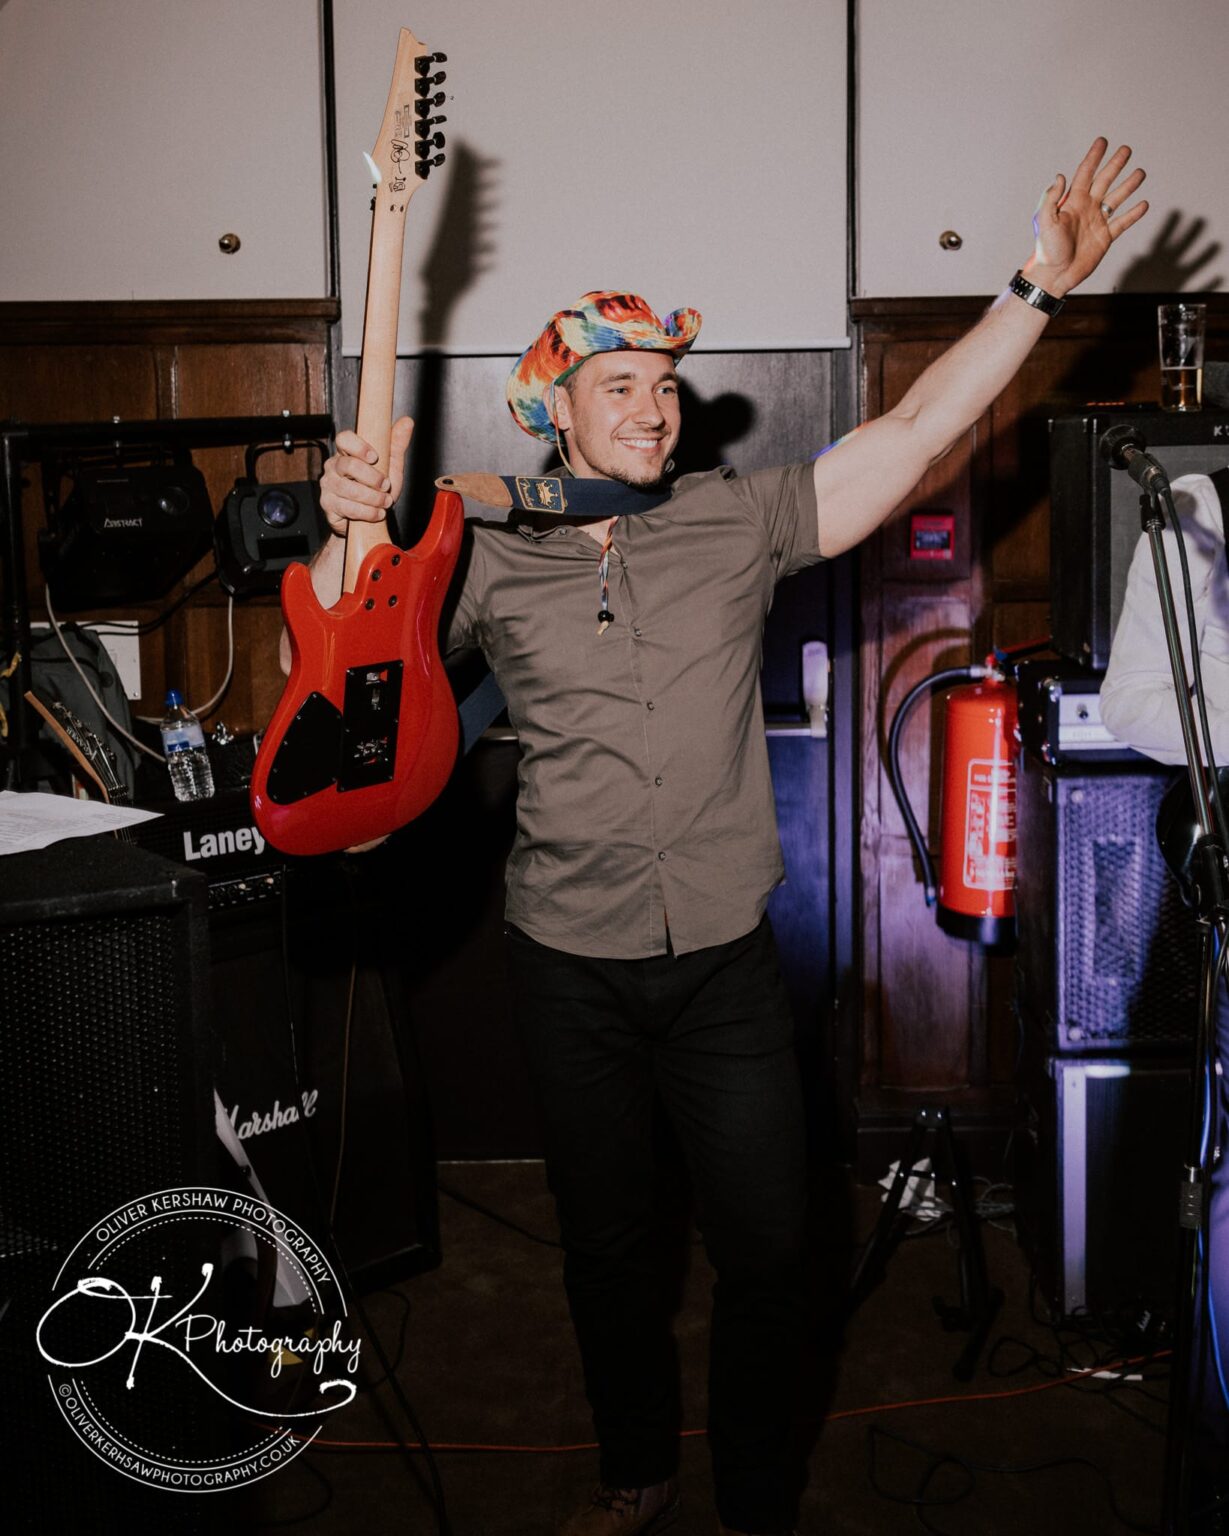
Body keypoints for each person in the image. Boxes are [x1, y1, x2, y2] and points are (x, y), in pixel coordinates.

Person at [306, 139, 1147, 1536]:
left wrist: (1031, 294)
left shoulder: (737, 518)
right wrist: (353, 537)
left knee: (773, 1246)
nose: (653, 410)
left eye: (665, 386)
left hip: (721, 971)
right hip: (563, 964)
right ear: (553, 411)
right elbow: (356, 673)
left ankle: (754, 1495)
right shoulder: (479, 541)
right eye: (620, 387)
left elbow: (914, 434)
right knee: (608, 1249)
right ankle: (635, 1465)